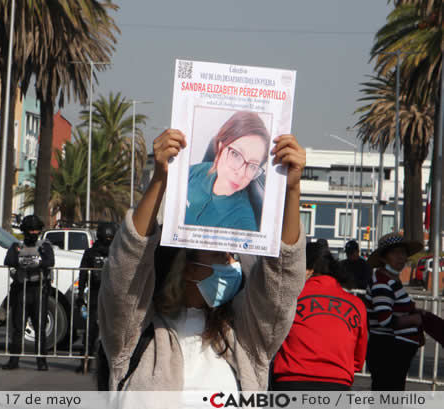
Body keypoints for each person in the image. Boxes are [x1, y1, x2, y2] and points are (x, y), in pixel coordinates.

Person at [98, 128, 306, 391]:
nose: (232, 263)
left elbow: (282, 282)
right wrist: (161, 178)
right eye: (220, 255)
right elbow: (126, 268)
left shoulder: (246, 340)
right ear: (186, 267)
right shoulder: (135, 334)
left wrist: (292, 190)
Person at [272, 244, 368, 390]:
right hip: (337, 383)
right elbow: (358, 360)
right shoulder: (356, 304)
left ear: (305, 269)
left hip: (291, 380)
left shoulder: (288, 297)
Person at [184, 111, 270, 231]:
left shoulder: (243, 223)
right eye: (235, 154)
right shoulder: (194, 172)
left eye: (252, 166)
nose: (240, 173)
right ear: (220, 148)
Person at [365, 232, 424, 390]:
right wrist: (414, 320)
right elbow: (385, 319)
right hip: (387, 352)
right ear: (384, 258)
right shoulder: (382, 284)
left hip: (393, 353)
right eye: (395, 252)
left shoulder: (390, 281)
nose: (401, 257)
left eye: (403, 252)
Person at [2, 215, 54, 371]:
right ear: (24, 231)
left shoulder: (44, 245)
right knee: (18, 327)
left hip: (39, 289)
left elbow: (49, 261)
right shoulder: (16, 245)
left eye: (36, 230)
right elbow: (9, 260)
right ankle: (14, 360)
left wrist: (29, 262)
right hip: (21, 289)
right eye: (30, 229)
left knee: (40, 328)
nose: (33, 232)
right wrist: (31, 262)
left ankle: (41, 361)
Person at [75, 222, 117, 374]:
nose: (108, 240)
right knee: (90, 331)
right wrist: (80, 295)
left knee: (111, 332)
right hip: (95, 294)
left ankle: (109, 365)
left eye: (110, 238)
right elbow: (83, 273)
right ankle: (84, 362)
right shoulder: (91, 253)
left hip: (112, 296)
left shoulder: (117, 252)